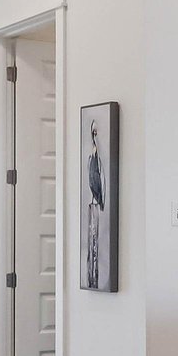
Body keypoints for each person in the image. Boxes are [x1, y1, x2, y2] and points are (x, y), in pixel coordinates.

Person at [85, 118, 106, 289]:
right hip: (93, 202)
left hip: (97, 201)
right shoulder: (91, 158)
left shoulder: (98, 160)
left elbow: (98, 181)